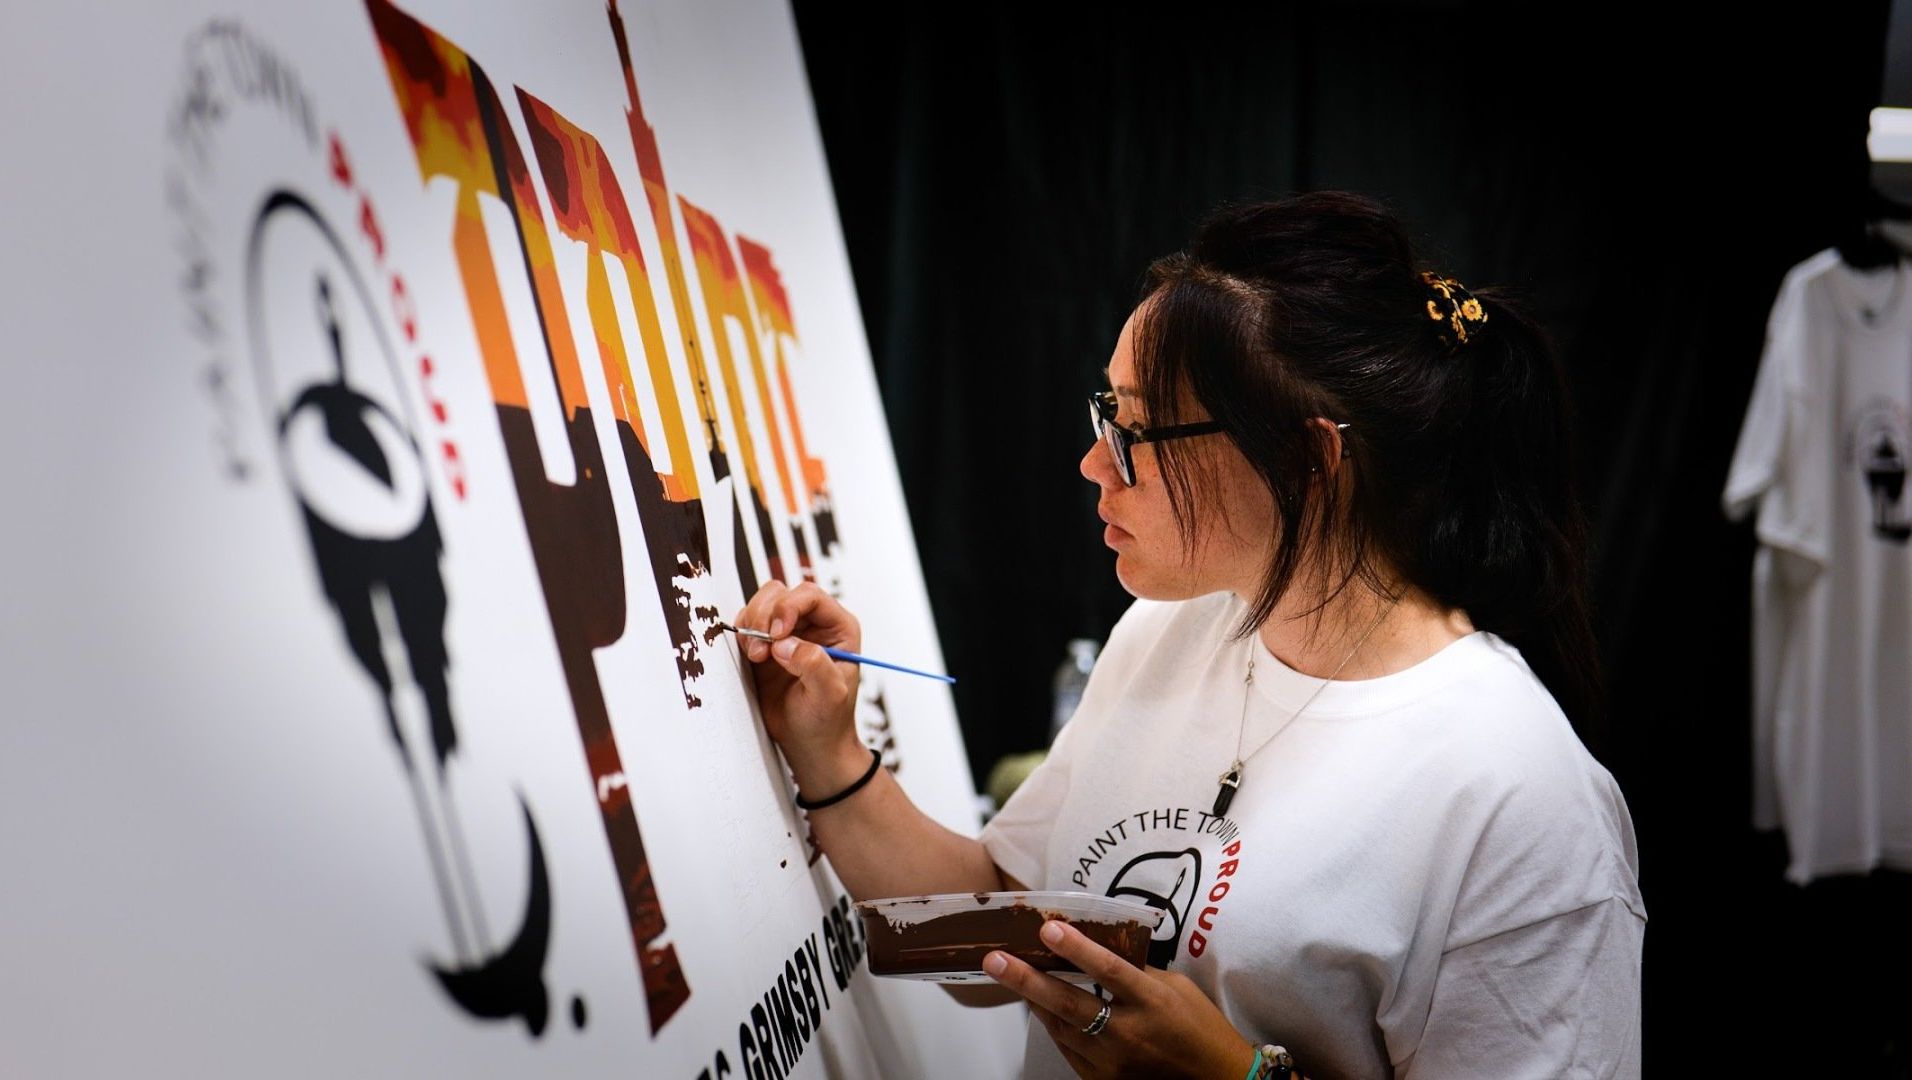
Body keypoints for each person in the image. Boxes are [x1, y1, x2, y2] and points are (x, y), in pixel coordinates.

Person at [735, 190, 1646, 1079]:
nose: (1095, 461)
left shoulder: (1523, 797)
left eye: (1134, 428)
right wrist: (827, 750)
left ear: (1307, 458)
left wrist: (1241, 1075)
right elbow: (1001, 939)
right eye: (1106, 411)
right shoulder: (1169, 632)